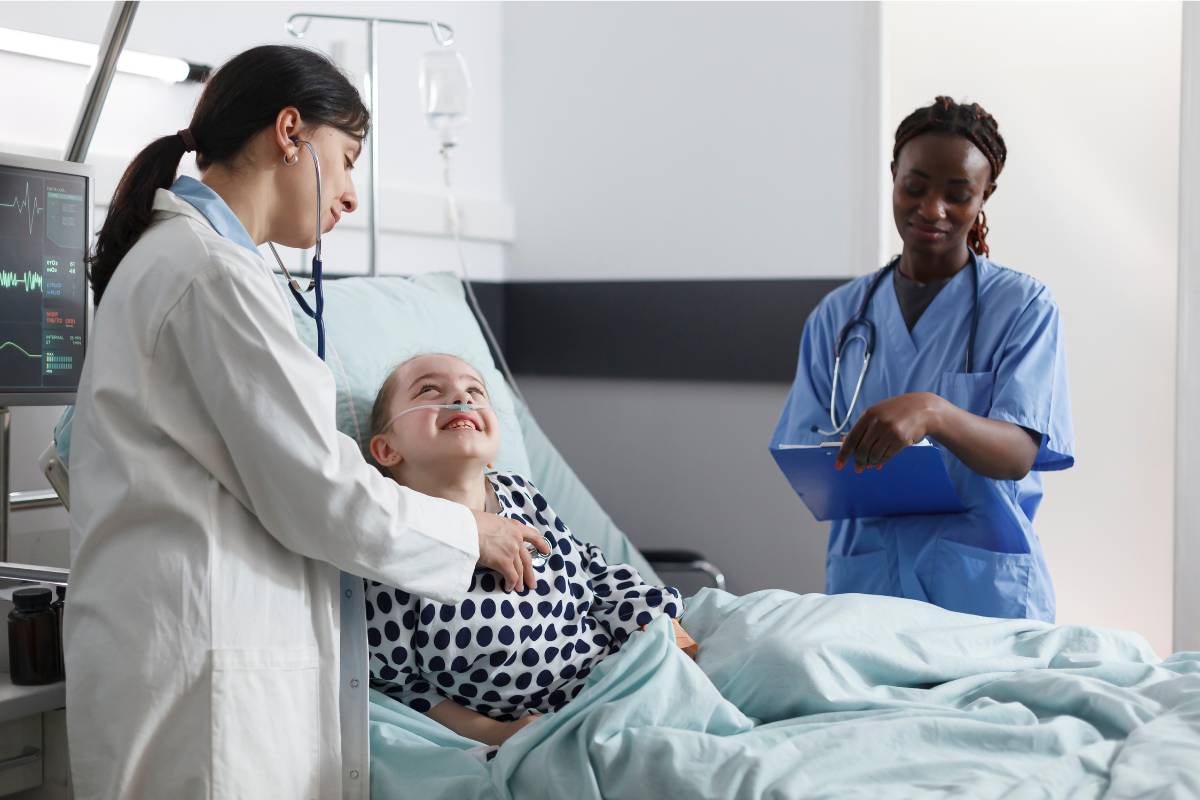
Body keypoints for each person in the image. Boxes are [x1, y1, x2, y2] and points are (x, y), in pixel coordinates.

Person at [65, 45, 547, 800]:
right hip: (202, 686)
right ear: (290, 133)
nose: (350, 196)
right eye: (346, 160)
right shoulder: (207, 275)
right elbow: (321, 488)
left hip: (197, 661)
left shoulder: (203, 265)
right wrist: (468, 533)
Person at [772, 96, 1074, 623]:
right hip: (868, 588)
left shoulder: (1023, 306)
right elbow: (807, 452)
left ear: (985, 195)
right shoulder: (838, 317)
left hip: (981, 592)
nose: (932, 209)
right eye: (915, 187)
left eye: (957, 195)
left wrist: (935, 412)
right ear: (893, 175)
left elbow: (1017, 454)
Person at [364, 353, 692, 747]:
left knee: (758, 626)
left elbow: (591, 571)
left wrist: (662, 627)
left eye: (475, 391)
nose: (461, 398)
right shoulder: (399, 545)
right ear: (387, 450)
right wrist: (495, 733)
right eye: (429, 390)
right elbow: (396, 682)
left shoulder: (519, 494)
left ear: (493, 451)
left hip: (623, 666)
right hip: (559, 725)